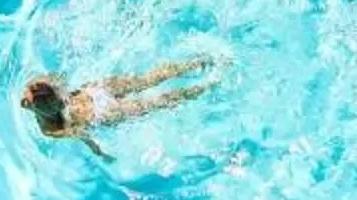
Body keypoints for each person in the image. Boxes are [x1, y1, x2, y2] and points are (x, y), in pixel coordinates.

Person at [22, 58, 220, 156]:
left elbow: (81, 134)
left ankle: (207, 85)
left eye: (27, 101)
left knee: (157, 102)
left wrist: (99, 153)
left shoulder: (49, 129)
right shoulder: (38, 87)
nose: (24, 102)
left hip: (101, 113)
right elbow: (58, 79)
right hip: (92, 91)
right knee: (147, 80)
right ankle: (199, 63)